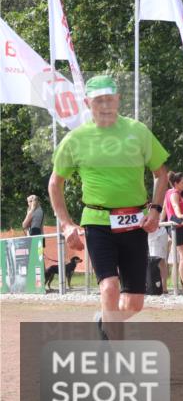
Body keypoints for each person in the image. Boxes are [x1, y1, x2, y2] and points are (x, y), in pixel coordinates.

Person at [48, 75, 168, 340]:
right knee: (109, 288)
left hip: (134, 223)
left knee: (134, 303)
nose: (105, 105)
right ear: (87, 102)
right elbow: (55, 184)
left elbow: (161, 174)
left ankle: (104, 321)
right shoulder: (75, 139)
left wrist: (156, 209)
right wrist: (67, 224)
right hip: (97, 222)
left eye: (109, 99)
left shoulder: (137, 131)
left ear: (118, 100)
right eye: (98, 100)